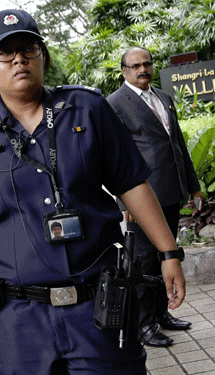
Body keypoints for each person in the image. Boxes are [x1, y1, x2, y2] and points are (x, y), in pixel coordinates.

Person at [0, 10, 187, 375]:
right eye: (4, 53)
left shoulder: (88, 108)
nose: (19, 59)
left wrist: (169, 252)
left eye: (29, 48)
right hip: (18, 318)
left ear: (43, 56)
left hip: (98, 308)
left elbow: (131, 183)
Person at [107, 46, 201, 347]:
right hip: (142, 199)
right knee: (144, 262)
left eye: (146, 64)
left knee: (167, 255)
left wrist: (192, 183)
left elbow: (178, 145)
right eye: (135, 66)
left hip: (171, 190)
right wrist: (124, 203)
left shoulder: (164, 97)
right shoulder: (115, 104)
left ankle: (162, 313)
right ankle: (144, 324)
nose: (142, 69)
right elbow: (114, 157)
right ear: (124, 71)